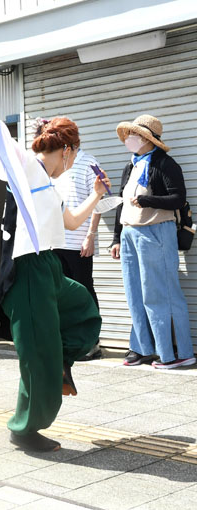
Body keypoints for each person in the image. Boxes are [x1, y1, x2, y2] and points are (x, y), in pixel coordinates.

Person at [0, 95, 107, 453]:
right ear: (66, 150)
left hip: (49, 266)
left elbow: (72, 221)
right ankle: (25, 429)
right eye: (74, 154)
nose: (73, 162)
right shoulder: (28, 168)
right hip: (27, 271)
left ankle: (61, 363)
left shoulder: (48, 183)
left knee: (83, 310)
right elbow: (3, 147)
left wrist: (97, 195)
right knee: (36, 357)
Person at [111, 115, 193, 369]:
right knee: (135, 294)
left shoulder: (165, 164)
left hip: (156, 231)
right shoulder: (131, 165)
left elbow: (177, 198)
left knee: (162, 293)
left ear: (147, 139)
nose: (129, 139)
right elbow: (121, 203)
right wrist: (116, 238)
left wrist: (148, 200)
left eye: (134, 135)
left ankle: (177, 353)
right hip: (130, 233)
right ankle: (143, 348)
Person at [49, 123, 103, 361]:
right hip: (57, 241)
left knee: (84, 291)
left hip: (78, 241)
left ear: (69, 144)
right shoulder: (58, 166)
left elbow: (99, 202)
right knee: (62, 293)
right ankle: (70, 340)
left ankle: (93, 343)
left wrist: (90, 235)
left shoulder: (89, 163)